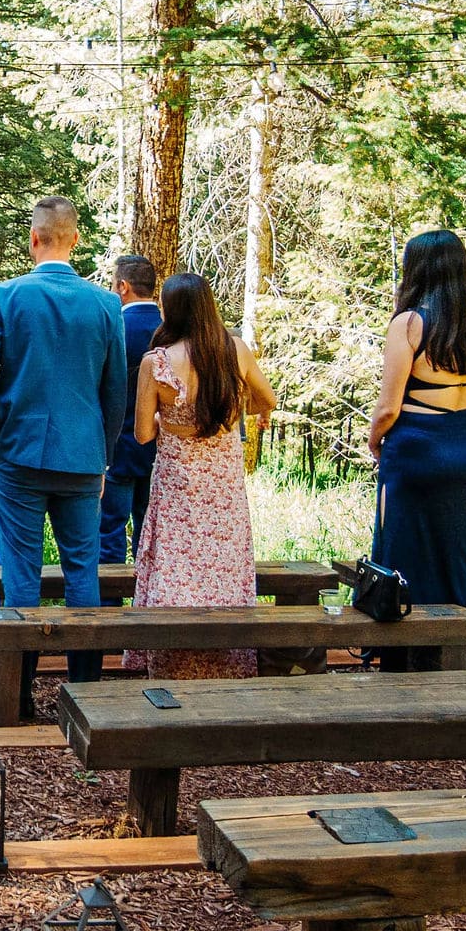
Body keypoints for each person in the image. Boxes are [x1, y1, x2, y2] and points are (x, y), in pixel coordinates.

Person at [0, 197, 127, 702]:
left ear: (33, 239)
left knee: (22, 575)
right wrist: (101, 456)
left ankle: (17, 694)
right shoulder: (105, 303)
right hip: (82, 458)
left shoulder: (6, 296)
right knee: (84, 571)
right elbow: (115, 389)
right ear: (75, 240)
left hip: (16, 456)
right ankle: (86, 693)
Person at [127, 273, 275, 680]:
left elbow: (142, 434)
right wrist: (231, 410)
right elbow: (268, 398)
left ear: (170, 311)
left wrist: (167, 417)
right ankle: (227, 663)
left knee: (175, 566)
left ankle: (171, 662)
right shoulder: (236, 352)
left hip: (178, 486)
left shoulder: (156, 363)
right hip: (223, 488)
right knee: (223, 568)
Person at [367, 230, 466, 669]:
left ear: (415, 269)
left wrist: (375, 440)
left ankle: (406, 655)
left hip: (417, 448)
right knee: (459, 549)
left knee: (406, 548)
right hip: (464, 447)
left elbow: (388, 405)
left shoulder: (409, 323)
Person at [102, 255, 161, 575]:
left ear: (123, 287)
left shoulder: (115, 327)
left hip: (117, 447)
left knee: (110, 530)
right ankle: (145, 606)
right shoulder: (169, 330)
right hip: (159, 449)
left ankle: (110, 609)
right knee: (149, 534)